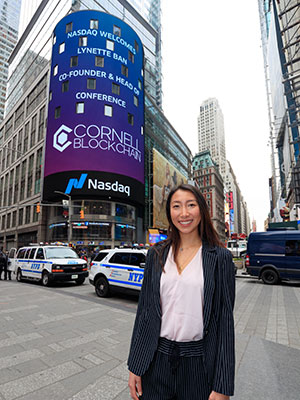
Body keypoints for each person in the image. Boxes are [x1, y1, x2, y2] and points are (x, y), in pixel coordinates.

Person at [128, 184, 235, 400]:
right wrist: (135, 364)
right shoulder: (156, 254)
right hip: (156, 360)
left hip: (199, 364)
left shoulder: (220, 257)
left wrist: (222, 384)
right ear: (169, 213)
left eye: (191, 205)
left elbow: (224, 322)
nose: (184, 213)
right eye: (176, 206)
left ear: (201, 210)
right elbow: (144, 313)